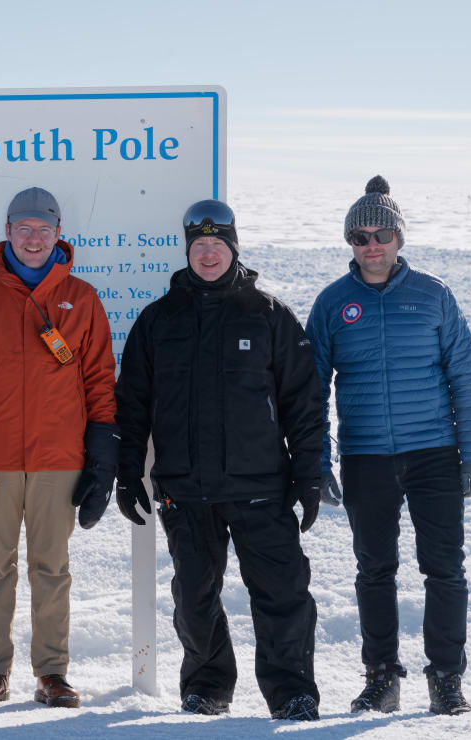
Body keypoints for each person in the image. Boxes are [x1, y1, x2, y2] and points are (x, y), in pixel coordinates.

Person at [115, 199, 323, 721]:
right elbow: (132, 403)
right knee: (195, 596)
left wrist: (309, 474)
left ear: (234, 248)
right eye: (199, 246)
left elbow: (305, 402)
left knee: (282, 593)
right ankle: (207, 686)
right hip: (185, 489)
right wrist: (127, 470)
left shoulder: (270, 315)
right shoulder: (158, 320)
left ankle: (292, 691)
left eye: (218, 245)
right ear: (188, 251)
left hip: (262, 489)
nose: (208, 255)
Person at [305, 175, 471, 716]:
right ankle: (382, 676)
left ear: (399, 237)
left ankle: (446, 679)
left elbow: (466, 379)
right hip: (366, 458)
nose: (372, 245)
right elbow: (312, 390)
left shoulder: (434, 295)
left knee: (445, 569)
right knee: (374, 570)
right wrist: (318, 462)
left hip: (433, 452)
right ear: (350, 245)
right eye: (359, 237)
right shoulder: (334, 303)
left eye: (381, 232)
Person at [0, 187, 118, 709]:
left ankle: (52, 673)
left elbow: (100, 383)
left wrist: (102, 460)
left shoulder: (81, 298)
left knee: (51, 568)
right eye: (24, 229)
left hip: (59, 459)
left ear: (59, 234)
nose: (34, 239)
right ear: (8, 231)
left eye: (44, 230)